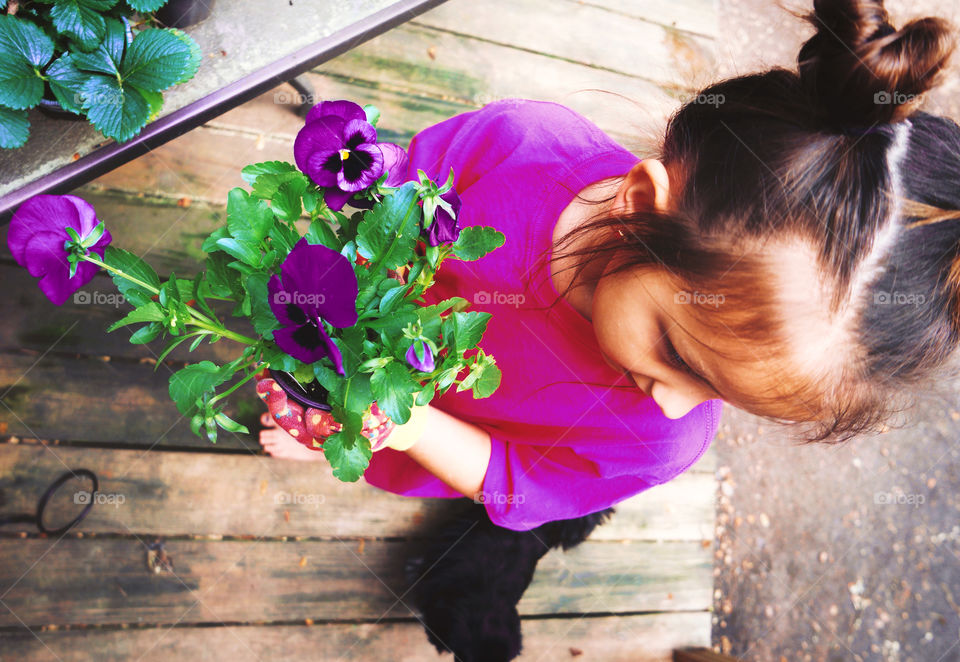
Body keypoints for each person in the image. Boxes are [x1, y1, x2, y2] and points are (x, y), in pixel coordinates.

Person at [258, 0, 958, 648]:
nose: (677, 406)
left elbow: (515, 480)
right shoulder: (520, 147)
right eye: (679, 353)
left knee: (371, 450)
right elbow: (392, 204)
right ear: (641, 205)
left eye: (726, 395)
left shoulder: (660, 441)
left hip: (418, 427)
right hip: (345, 319)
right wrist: (330, 331)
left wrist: (386, 423)